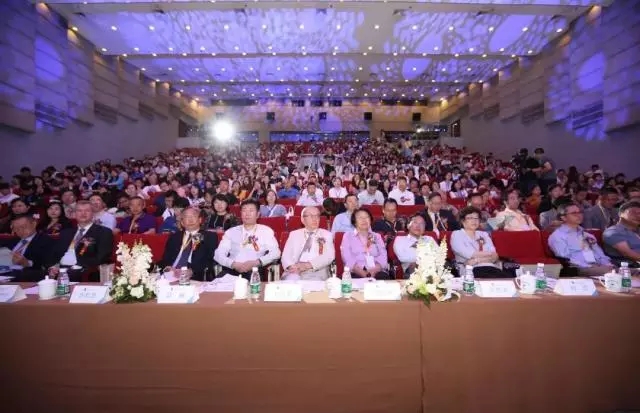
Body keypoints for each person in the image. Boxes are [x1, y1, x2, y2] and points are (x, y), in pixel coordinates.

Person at [214, 199, 280, 280]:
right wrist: (233, 264)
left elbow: (276, 253)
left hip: (254, 270)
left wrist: (257, 262)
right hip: (232, 269)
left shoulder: (266, 231)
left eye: (251, 210)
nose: (247, 214)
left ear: (258, 214)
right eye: (244, 210)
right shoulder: (231, 232)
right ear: (240, 213)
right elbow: (218, 254)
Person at [49, 201, 114, 282]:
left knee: (70, 275)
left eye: (87, 211)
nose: (83, 213)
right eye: (79, 211)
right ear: (75, 214)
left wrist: (76, 262)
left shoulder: (103, 232)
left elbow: (102, 257)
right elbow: (55, 254)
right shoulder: (65, 232)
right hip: (61, 268)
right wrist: (53, 266)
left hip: (83, 269)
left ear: (93, 214)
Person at [548, 202, 614, 276]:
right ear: (563, 217)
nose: (579, 215)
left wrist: (607, 264)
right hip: (578, 268)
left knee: (625, 271)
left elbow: (599, 253)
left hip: (599, 266)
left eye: (580, 212)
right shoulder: (558, 236)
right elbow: (565, 259)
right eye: (574, 213)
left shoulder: (587, 235)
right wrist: (590, 266)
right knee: (614, 273)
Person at [159, 207, 218, 281]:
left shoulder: (209, 236)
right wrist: (167, 268)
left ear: (200, 220)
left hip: (195, 275)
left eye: (193, 216)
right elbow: (166, 258)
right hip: (172, 274)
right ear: (182, 223)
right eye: (187, 217)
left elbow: (212, 260)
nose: (190, 220)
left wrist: (192, 271)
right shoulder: (175, 237)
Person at [450, 206, 510, 278]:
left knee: (507, 280)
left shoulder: (483, 234)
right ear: (463, 221)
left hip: (491, 267)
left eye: (476, 218)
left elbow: (494, 255)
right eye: (470, 218)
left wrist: (476, 260)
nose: (474, 221)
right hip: (470, 271)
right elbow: (469, 254)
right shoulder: (457, 234)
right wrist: (489, 256)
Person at [281, 206, 335, 281]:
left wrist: (307, 265)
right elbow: (285, 256)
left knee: (311, 285)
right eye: (311, 216)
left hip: (316, 270)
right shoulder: (294, 234)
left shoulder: (326, 234)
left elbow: (329, 256)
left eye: (317, 216)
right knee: (291, 284)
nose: (315, 219)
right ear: (303, 219)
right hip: (294, 270)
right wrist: (292, 267)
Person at [0, 214, 54, 281]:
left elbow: (47, 266)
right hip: (4, 273)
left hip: (24, 276)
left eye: (23, 227)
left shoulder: (45, 240)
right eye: (15, 228)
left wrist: (27, 263)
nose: (20, 230)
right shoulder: (13, 240)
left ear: (34, 224)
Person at [340, 208, 389, 279]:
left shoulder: (376, 236)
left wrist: (375, 270)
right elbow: (347, 257)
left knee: (384, 279)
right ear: (355, 222)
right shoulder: (348, 236)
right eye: (360, 217)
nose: (364, 220)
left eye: (366, 217)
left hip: (376, 270)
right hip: (356, 270)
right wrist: (362, 273)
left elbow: (383, 256)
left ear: (370, 220)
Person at [602, 201, 640, 267]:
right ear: (620, 214)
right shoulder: (613, 232)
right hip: (630, 268)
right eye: (633, 212)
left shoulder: (637, 231)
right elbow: (628, 254)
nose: (638, 216)